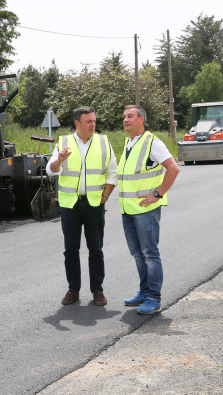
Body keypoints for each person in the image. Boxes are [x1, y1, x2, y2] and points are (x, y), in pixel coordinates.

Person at [47, 106, 117, 306]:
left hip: (95, 204)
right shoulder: (64, 142)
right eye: (89, 122)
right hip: (70, 205)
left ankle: (97, 290)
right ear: (77, 124)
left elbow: (113, 172)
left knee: (96, 250)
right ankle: (73, 290)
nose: (93, 125)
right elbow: (51, 170)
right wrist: (59, 160)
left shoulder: (103, 142)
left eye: (94, 121)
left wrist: (104, 197)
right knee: (70, 250)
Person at [117, 105, 180, 315]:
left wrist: (158, 193)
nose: (125, 120)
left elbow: (173, 168)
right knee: (138, 254)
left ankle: (154, 298)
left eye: (130, 116)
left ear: (141, 119)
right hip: (128, 210)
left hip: (146, 210)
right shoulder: (129, 142)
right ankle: (144, 292)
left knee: (150, 254)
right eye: (124, 116)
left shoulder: (152, 142)